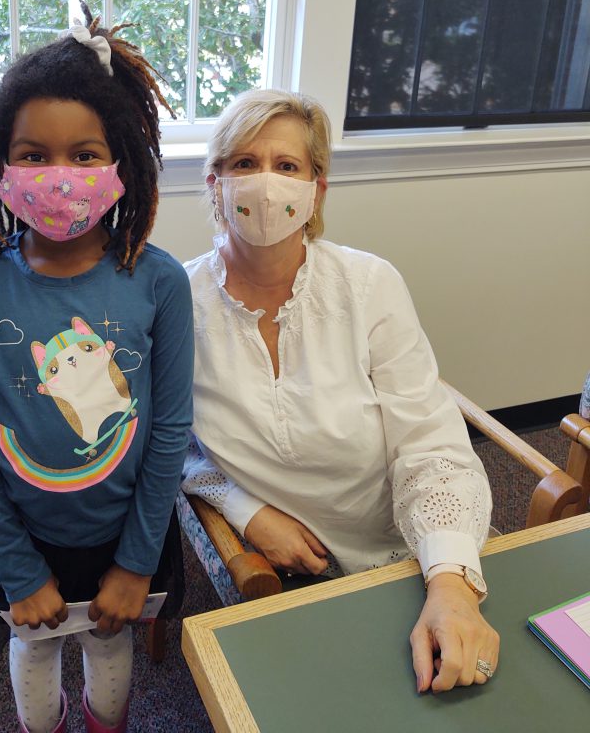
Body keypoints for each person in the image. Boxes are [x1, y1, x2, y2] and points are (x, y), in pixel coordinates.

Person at [181, 88, 500, 695]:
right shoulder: (175, 301)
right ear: (214, 182)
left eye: (287, 166)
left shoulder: (369, 284)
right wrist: (246, 511)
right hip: (293, 569)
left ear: (316, 189)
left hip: (411, 545)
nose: (266, 185)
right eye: (244, 164)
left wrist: (449, 584)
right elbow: (167, 445)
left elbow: (430, 445)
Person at [0, 4, 194, 733]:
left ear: (121, 160)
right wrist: (17, 571)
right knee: (36, 651)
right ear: (0, 161)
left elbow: (170, 427)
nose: (59, 176)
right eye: (33, 154)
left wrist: (138, 562)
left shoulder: (159, 282)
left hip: (126, 536)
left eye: (85, 155)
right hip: (19, 535)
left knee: (110, 659)